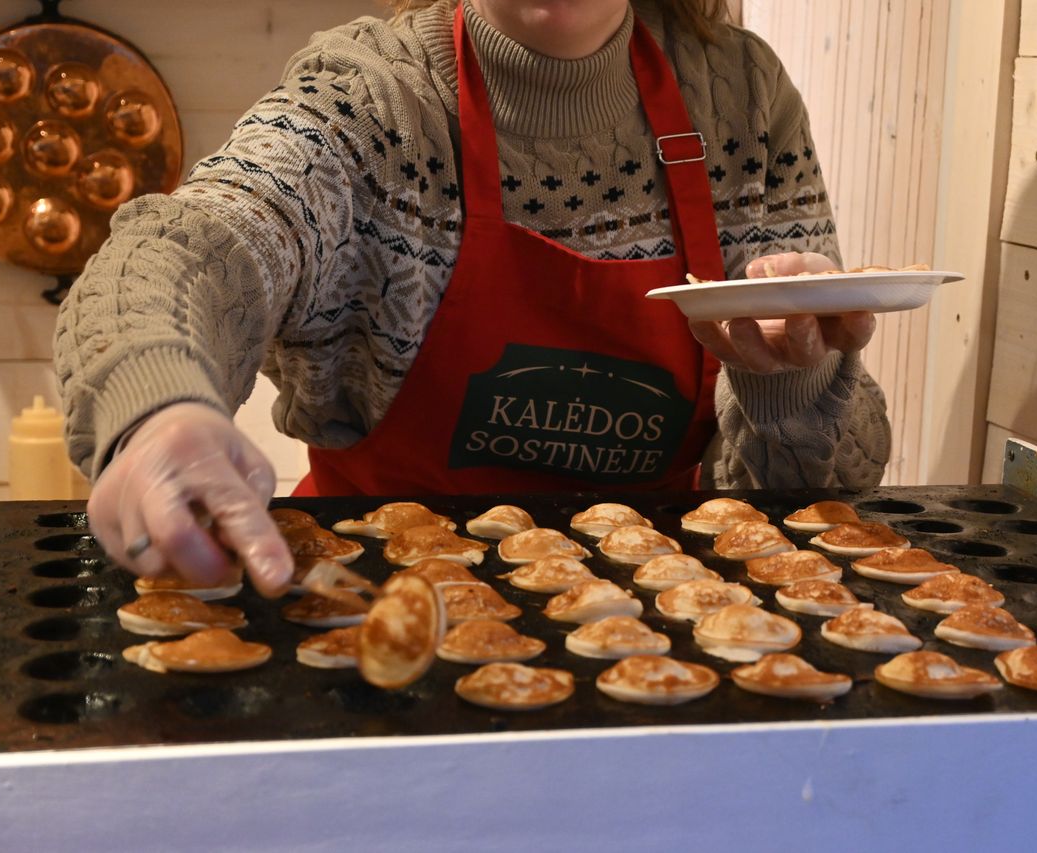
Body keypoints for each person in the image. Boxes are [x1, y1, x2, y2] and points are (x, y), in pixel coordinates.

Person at [54, 0, 891, 598]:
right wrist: (155, 408)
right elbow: (200, 246)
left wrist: (789, 381)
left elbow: (802, 510)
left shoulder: (738, 100)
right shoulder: (373, 104)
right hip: (367, 612)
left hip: (665, 626)